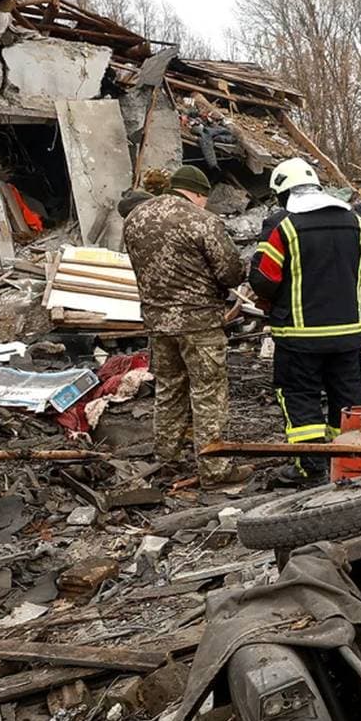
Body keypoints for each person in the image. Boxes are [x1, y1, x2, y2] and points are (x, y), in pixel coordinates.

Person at [248, 158, 361, 479]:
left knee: (300, 397)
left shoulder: (285, 227)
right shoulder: (357, 223)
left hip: (300, 335)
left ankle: (310, 467)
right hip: (349, 332)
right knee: (347, 397)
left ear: (283, 193)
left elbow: (264, 278)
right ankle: (347, 462)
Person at [122, 165, 251, 488]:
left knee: (169, 388)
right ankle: (214, 469)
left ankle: (166, 458)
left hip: (157, 321)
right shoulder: (200, 220)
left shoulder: (136, 218)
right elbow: (230, 272)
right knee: (208, 394)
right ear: (197, 193)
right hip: (199, 322)